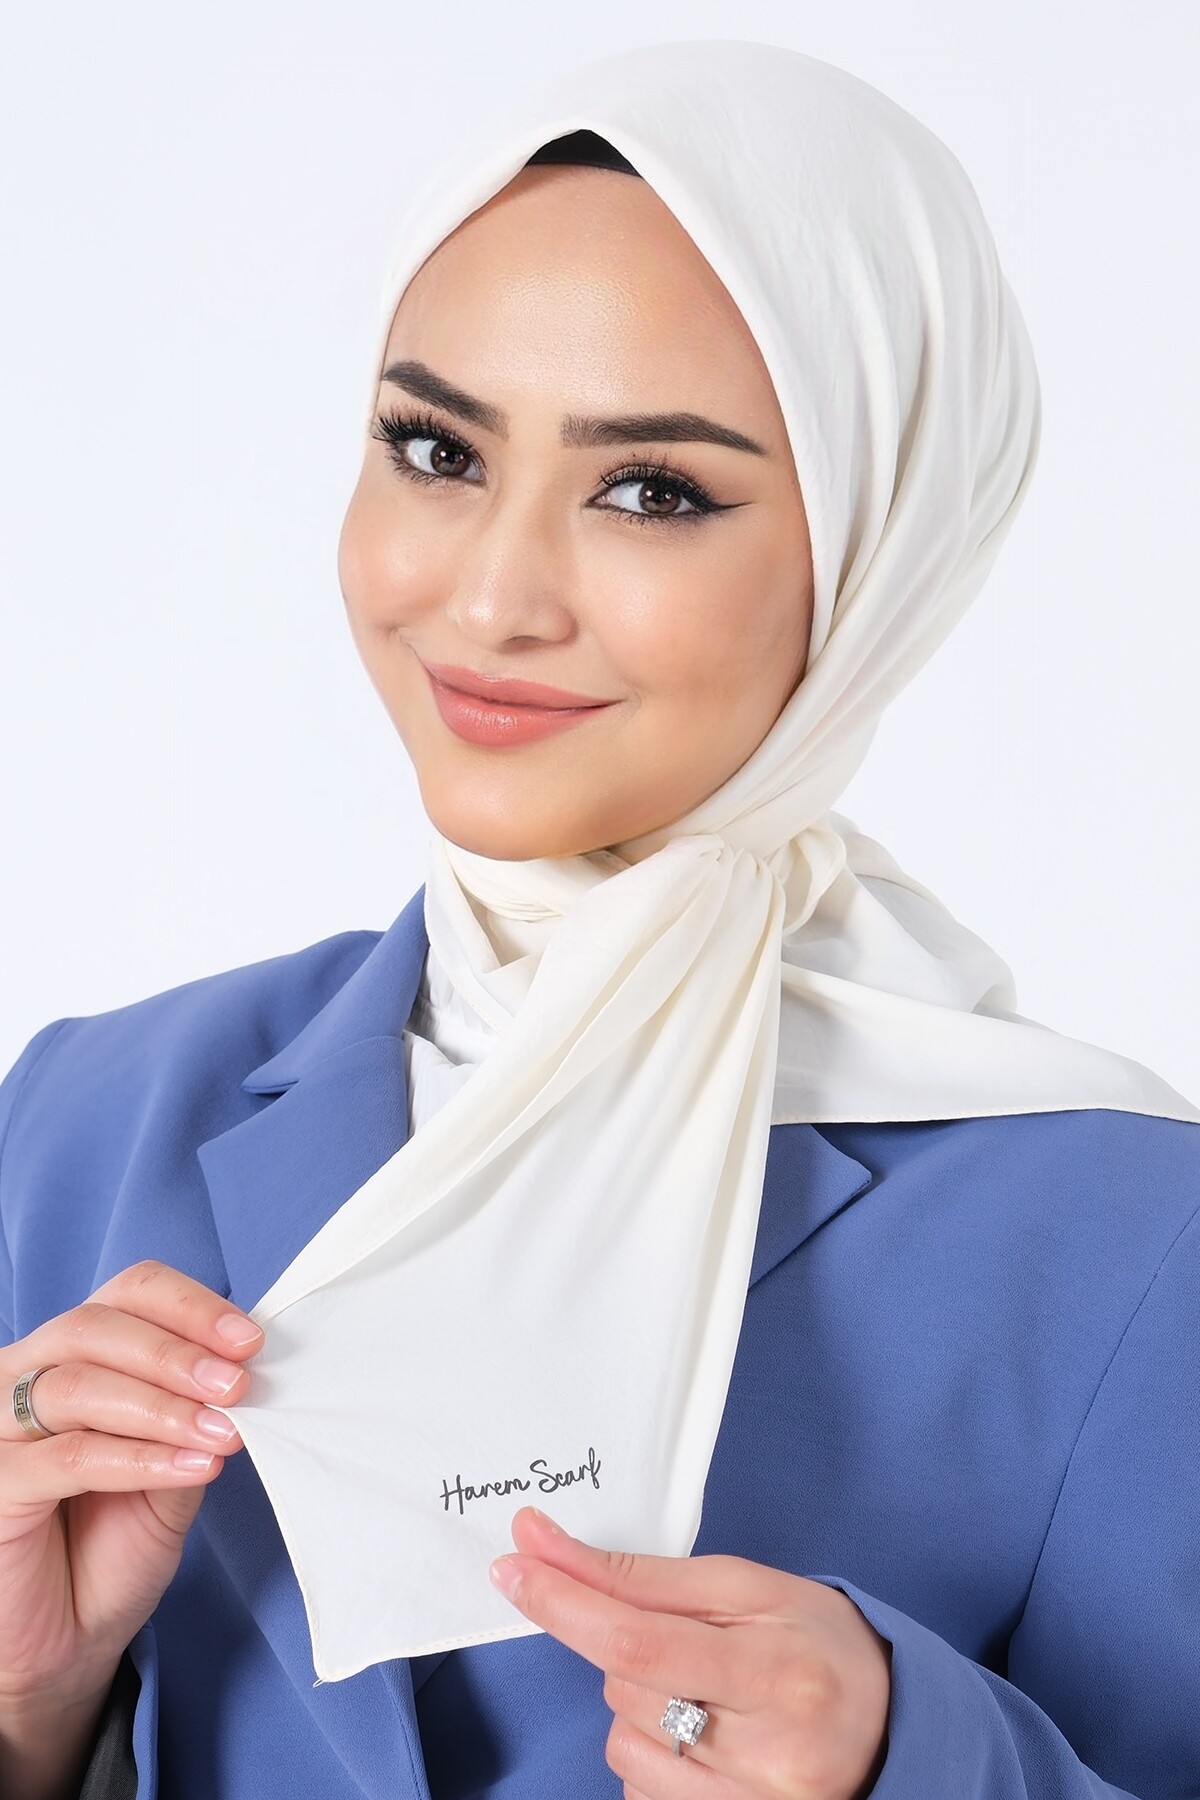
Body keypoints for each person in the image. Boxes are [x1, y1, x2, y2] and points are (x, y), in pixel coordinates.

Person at [1, 36, 1197, 1800]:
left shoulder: (1134, 1243)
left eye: (652, 492)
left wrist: (914, 1761)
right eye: (435, 449)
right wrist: (27, 1703)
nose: (491, 595)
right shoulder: (86, 1118)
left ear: (877, 560)